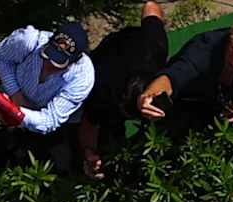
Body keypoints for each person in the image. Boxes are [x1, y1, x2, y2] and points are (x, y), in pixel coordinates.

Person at [69, 0, 167, 178]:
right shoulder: (99, 89)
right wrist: (89, 151)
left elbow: (151, 7)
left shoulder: (155, 47)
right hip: (107, 53)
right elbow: (90, 125)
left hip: (133, 44)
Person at [142, 9, 233, 132]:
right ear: (231, 36)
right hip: (183, 102)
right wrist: (151, 94)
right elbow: (173, 76)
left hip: (210, 101)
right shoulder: (201, 53)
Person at [0, 16, 86, 150]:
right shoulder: (27, 40)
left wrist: (17, 113)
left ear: (75, 62)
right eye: (48, 55)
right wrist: (15, 93)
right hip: (7, 98)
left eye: (58, 63)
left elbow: (50, 120)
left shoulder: (81, 78)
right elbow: (0, 57)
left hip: (44, 124)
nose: (49, 64)